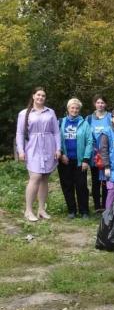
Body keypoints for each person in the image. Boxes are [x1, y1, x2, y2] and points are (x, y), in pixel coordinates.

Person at [16, 87, 61, 222]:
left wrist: (58, 148)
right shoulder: (24, 113)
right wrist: (21, 150)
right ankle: (28, 210)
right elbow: (20, 133)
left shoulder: (50, 112)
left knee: (45, 178)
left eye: (43, 95)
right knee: (35, 177)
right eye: (38, 95)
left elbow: (56, 132)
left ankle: (41, 209)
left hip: (48, 146)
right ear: (33, 96)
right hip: (33, 147)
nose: (41, 97)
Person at [58, 98, 93, 219]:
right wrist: (61, 154)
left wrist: (86, 159)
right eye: (72, 107)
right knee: (67, 185)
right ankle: (71, 210)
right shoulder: (61, 122)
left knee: (81, 186)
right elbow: (56, 140)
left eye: (77, 108)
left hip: (80, 161)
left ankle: (84, 211)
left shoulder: (85, 123)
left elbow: (89, 142)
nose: (75, 110)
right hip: (64, 160)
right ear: (68, 109)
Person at [86, 94, 111, 212]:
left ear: (105, 104)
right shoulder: (89, 119)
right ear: (94, 104)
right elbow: (86, 136)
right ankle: (97, 206)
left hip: (106, 154)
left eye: (102, 102)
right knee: (95, 180)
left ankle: (106, 204)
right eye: (98, 102)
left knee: (106, 180)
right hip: (94, 155)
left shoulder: (111, 117)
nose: (100, 105)